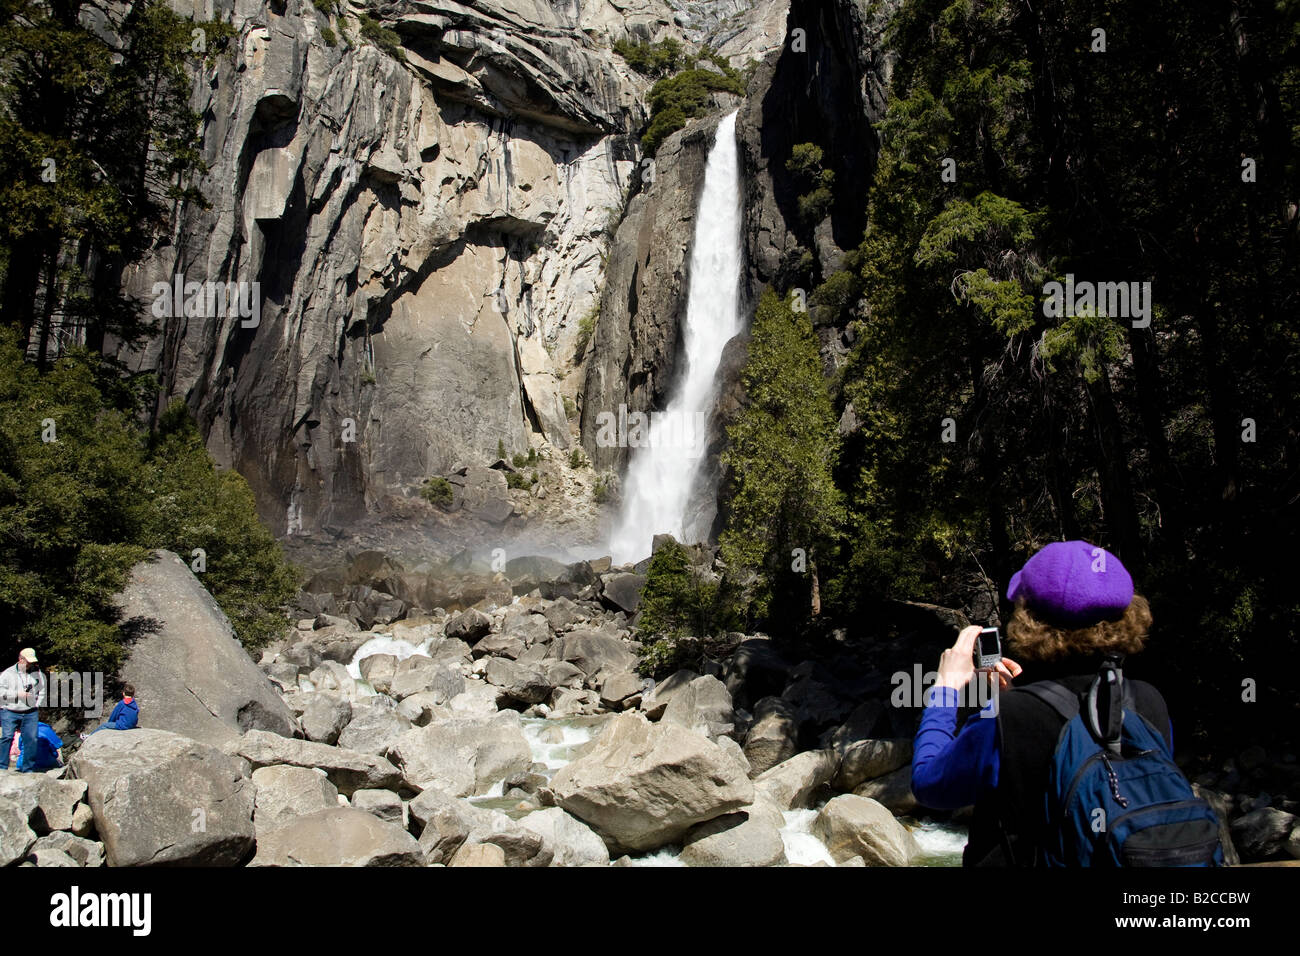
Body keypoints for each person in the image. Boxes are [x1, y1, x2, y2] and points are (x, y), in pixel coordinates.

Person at [911, 540, 1172, 866]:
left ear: (1030, 619)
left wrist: (945, 689)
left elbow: (929, 785)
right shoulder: (1147, 700)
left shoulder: (1008, 719)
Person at [0, 648, 47, 773]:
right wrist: (18, 694)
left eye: (32, 662)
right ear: (20, 660)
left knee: (31, 739)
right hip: (10, 710)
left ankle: (28, 769)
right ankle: (2, 767)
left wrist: (37, 704)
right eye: (28, 662)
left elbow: (42, 689)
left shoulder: (37, 672)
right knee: (7, 737)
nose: (30, 664)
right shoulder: (8, 673)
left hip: (30, 711)